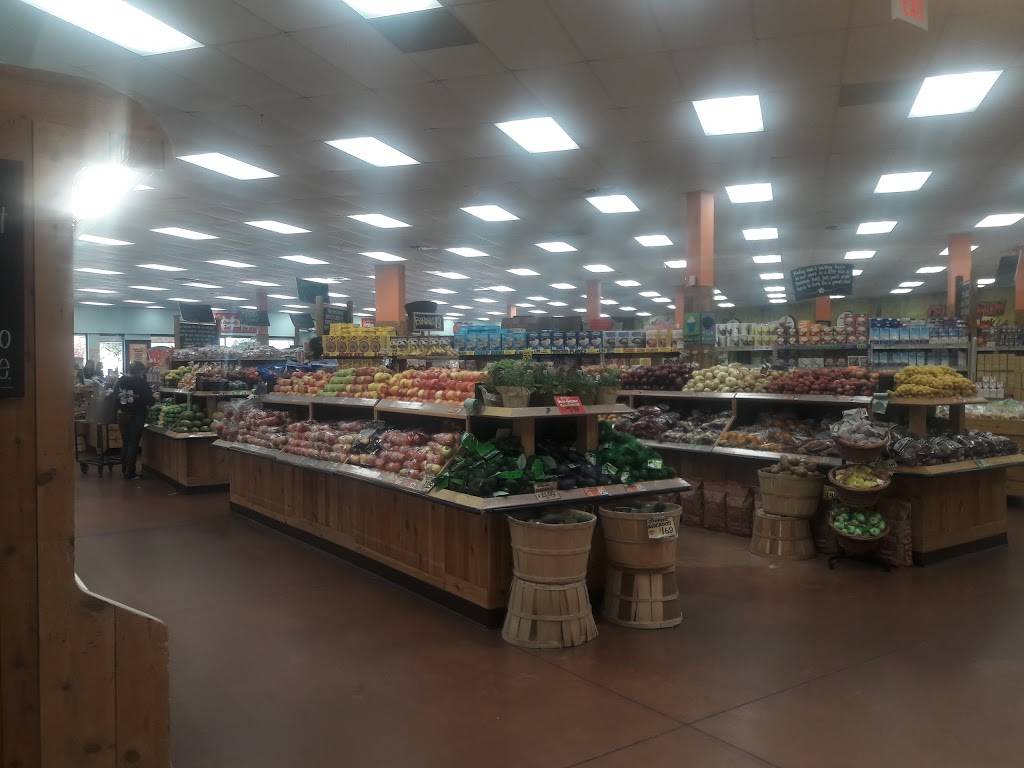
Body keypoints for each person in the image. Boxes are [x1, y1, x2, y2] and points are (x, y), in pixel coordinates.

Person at [113, 361, 154, 480]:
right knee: (133, 444)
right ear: (140, 371)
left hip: (122, 415)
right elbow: (149, 400)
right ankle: (130, 473)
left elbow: (114, 397)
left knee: (125, 442)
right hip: (137, 416)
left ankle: (124, 468)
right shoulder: (140, 382)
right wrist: (152, 399)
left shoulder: (120, 381)